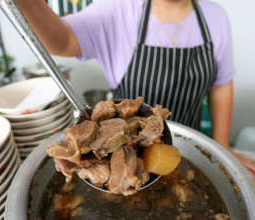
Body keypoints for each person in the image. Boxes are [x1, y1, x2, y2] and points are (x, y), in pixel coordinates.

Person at [15, 0, 255, 179]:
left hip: (190, 153)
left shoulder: (215, 16)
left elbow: (221, 85)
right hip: (121, 159)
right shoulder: (119, 9)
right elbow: (62, 40)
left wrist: (222, 145)